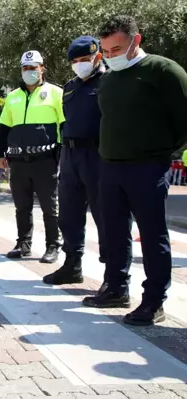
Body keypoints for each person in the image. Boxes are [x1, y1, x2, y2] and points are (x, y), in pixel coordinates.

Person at [82, 15, 187, 326]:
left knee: (153, 236)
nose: (111, 57)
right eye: (106, 51)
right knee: (113, 232)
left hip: (147, 167)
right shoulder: (109, 78)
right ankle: (115, 287)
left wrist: (163, 153)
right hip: (110, 167)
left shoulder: (163, 71)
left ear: (135, 41)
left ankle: (154, 301)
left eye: (116, 49)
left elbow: (183, 119)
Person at [43, 36, 107, 286]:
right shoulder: (70, 87)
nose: (80, 64)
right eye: (75, 61)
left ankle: (112, 276)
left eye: (85, 60)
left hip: (98, 157)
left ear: (97, 58)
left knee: (106, 217)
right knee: (68, 214)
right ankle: (72, 266)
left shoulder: (108, 83)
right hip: (70, 157)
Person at [0, 50, 65, 264]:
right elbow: (4, 128)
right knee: (22, 206)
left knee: (49, 206)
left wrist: (62, 155)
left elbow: (63, 126)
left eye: (33, 67)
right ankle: (23, 244)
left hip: (45, 160)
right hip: (18, 162)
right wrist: (0, 155)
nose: (29, 72)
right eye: (25, 68)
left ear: (42, 68)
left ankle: (53, 246)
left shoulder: (56, 93)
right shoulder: (13, 96)